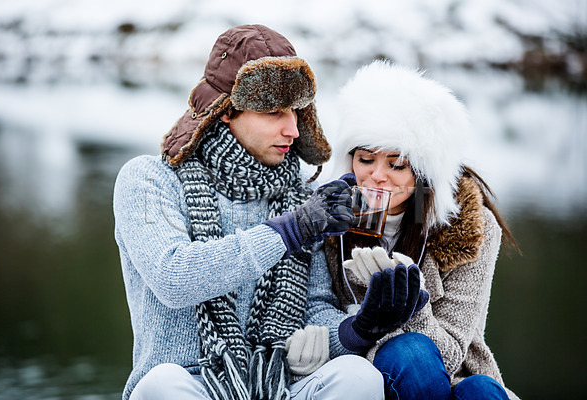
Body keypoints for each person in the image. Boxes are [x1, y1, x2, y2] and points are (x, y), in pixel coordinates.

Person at [113, 24, 386, 400]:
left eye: (296, 112)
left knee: (359, 376)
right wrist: (291, 230)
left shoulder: (301, 197)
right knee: (162, 386)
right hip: (191, 385)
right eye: (274, 112)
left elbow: (314, 309)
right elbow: (174, 278)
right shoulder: (148, 179)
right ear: (224, 112)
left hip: (279, 385)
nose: (292, 129)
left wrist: (359, 328)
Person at [323, 60, 521, 400]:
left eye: (396, 164)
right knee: (409, 354)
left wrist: (410, 303)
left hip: (454, 371)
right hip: (366, 371)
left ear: (424, 171)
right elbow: (319, 312)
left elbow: (454, 351)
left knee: (481, 391)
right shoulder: (332, 220)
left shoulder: (468, 227)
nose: (377, 176)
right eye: (365, 160)